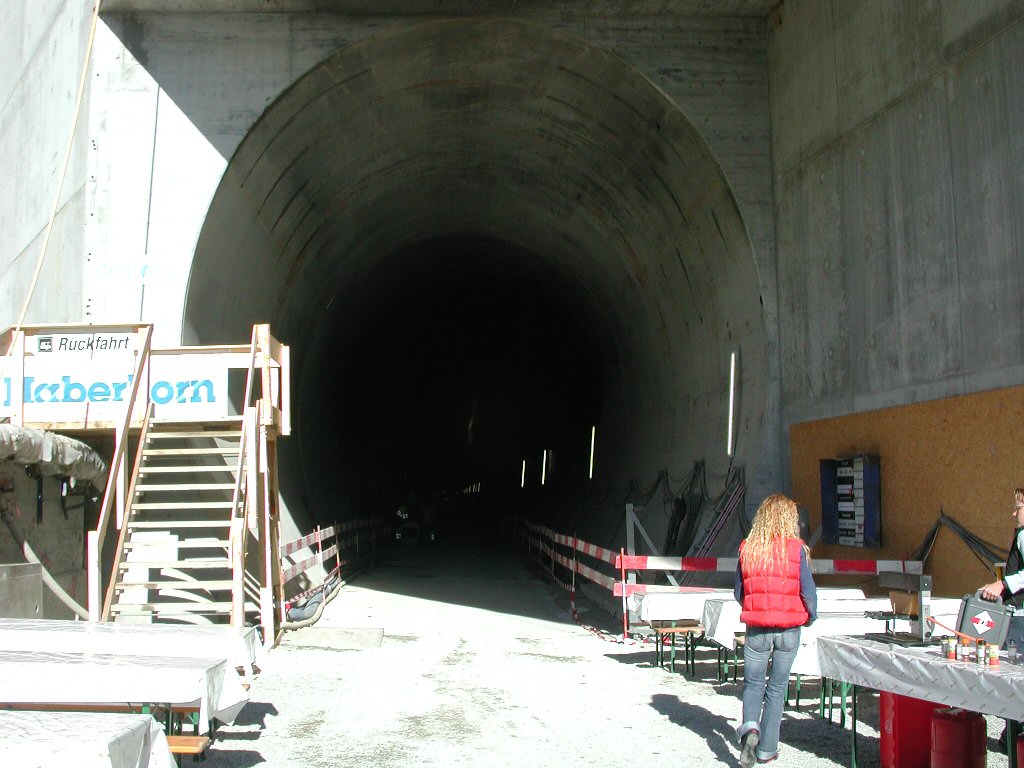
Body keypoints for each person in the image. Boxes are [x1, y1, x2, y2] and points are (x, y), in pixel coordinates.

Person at [734, 494, 817, 767]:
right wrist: (810, 617)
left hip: (756, 628)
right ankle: (767, 749)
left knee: (753, 684)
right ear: (789, 519)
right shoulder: (796, 550)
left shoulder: (748, 548)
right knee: (777, 688)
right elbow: (808, 591)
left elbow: (738, 591)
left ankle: (750, 729)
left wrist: (755, 608)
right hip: (789, 629)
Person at [979, 488, 1024, 752]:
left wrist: (1003, 584)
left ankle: (1012, 740)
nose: (1013, 513)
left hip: (1020, 618)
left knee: (1013, 677)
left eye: (1017, 508)